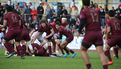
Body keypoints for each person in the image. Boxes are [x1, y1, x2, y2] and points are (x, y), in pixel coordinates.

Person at [78, 0, 108, 69]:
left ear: (82, 3)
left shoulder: (84, 11)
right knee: (101, 53)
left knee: (83, 49)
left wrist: (79, 31)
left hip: (90, 33)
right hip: (98, 32)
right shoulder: (96, 11)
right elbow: (100, 22)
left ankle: (89, 67)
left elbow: (82, 21)